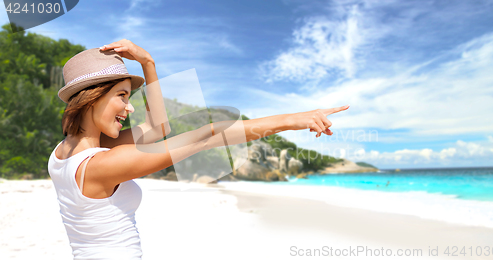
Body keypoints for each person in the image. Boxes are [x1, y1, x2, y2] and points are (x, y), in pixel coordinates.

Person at [47, 39, 349, 260]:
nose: (129, 108)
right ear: (92, 97)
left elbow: (158, 129)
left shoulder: (63, 153)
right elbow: (207, 135)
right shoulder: (103, 165)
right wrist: (292, 119)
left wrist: (148, 64)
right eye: (122, 96)